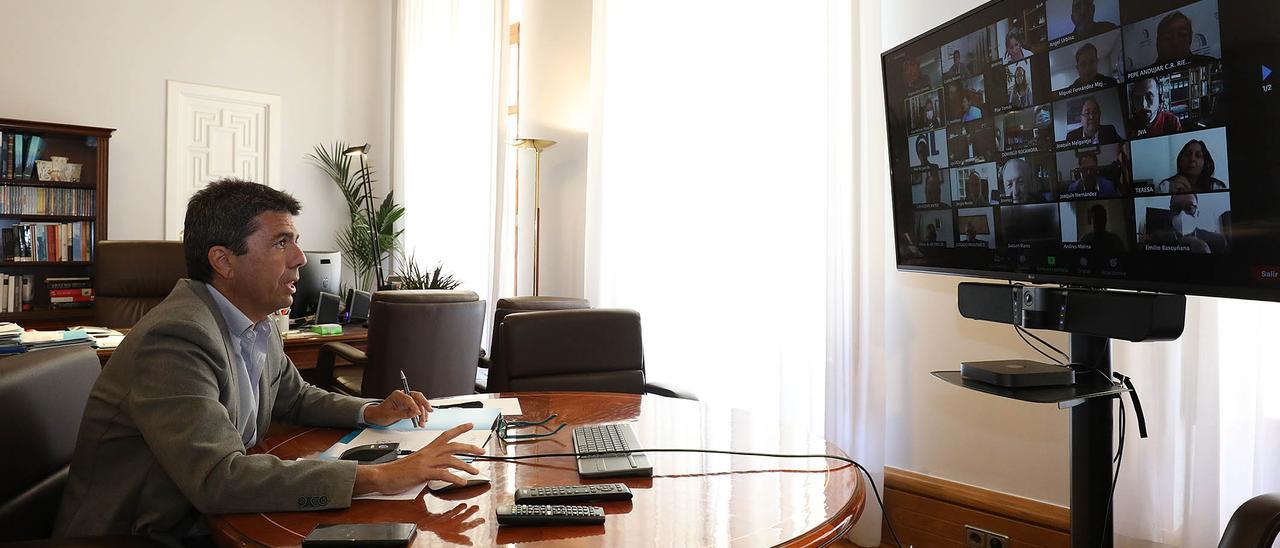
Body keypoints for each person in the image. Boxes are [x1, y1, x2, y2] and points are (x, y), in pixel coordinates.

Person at [54, 180, 486, 544]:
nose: (299, 257)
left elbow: (294, 397)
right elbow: (218, 479)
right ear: (223, 261)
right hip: (141, 535)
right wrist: (381, 477)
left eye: (295, 241)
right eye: (282, 242)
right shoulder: (177, 338)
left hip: (203, 520)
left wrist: (369, 409)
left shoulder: (256, 321)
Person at [1158, 139, 1226, 193]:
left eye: (1198, 155)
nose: (1192, 159)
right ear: (1180, 161)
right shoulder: (1166, 186)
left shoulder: (1216, 186)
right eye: (1187, 154)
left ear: (1205, 163)